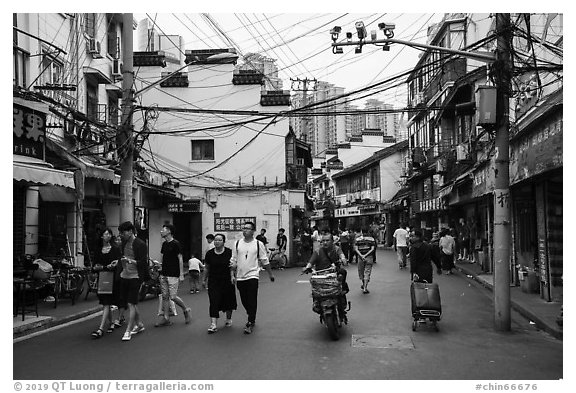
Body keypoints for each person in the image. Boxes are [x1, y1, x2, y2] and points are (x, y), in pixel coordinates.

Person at [230, 221, 275, 334]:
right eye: (243, 228)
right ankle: (250, 313)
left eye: (248, 228)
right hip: (240, 276)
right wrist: (232, 274)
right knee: (244, 300)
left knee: (252, 298)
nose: (245, 230)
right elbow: (233, 260)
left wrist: (270, 274)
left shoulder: (258, 244)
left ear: (253, 231)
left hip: (253, 275)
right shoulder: (237, 243)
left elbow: (264, 260)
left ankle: (250, 321)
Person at [302, 233, 349, 316]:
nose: (325, 242)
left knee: (343, 272)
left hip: (333, 273)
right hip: (320, 275)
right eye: (323, 241)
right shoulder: (318, 251)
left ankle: (343, 291)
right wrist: (307, 268)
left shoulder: (336, 249)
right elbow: (311, 262)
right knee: (315, 286)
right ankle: (316, 303)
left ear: (332, 241)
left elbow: (342, 256)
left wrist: (344, 259)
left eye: (327, 240)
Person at [117, 221, 149, 341]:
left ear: (130, 231)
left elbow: (143, 263)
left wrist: (131, 261)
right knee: (132, 303)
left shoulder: (140, 244)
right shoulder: (124, 242)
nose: (121, 235)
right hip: (124, 275)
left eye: (123, 232)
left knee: (131, 303)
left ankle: (128, 331)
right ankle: (139, 324)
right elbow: (122, 256)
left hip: (135, 277)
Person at [155, 224, 192, 327]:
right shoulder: (164, 244)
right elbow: (163, 257)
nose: (161, 231)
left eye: (163, 230)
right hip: (164, 273)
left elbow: (180, 258)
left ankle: (186, 310)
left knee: (173, 296)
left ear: (169, 231)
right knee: (165, 296)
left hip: (173, 274)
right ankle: (166, 318)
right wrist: (160, 267)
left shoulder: (176, 244)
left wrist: (181, 274)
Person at [91, 228, 122, 339]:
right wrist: (98, 268)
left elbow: (120, 262)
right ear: (101, 236)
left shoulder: (115, 249)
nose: (108, 235)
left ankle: (100, 329)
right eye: (105, 234)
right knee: (106, 302)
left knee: (107, 303)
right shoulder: (98, 250)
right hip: (102, 278)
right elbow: (94, 266)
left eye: (109, 234)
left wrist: (115, 264)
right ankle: (111, 322)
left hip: (112, 279)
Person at [203, 233, 237, 334]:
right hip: (214, 281)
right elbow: (207, 267)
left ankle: (228, 319)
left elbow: (232, 266)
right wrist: (204, 280)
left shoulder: (229, 252)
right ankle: (213, 324)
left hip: (227, 280)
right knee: (213, 301)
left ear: (223, 242)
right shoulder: (209, 253)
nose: (217, 242)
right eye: (215, 240)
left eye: (219, 240)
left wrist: (232, 276)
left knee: (228, 300)